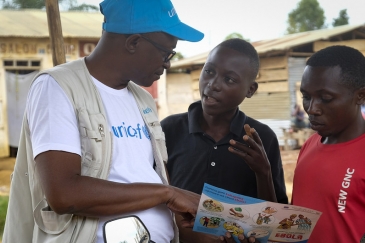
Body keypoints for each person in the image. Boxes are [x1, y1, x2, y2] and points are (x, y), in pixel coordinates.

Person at [2, 0, 204, 243]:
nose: (168, 63)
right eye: (166, 53)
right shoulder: (58, 88)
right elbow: (64, 194)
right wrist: (167, 194)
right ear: (134, 42)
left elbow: (148, 174)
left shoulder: (143, 100)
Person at [161, 38, 288, 243]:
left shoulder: (262, 138)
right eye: (209, 71)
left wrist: (263, 172)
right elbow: (155, 196)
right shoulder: (168, 130)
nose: (213, 84)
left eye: (229, 79)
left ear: (250, 89)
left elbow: (272, 220)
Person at [291, 45, 365, 243]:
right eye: (306, 97)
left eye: (325, 98)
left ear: (360, 96)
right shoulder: (310, 145)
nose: (312, 109)